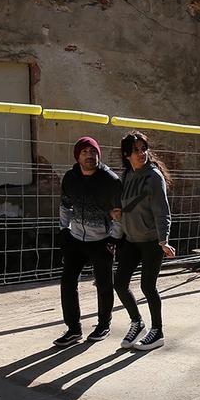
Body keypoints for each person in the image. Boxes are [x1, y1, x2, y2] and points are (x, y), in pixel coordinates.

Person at [54, 136, 122, 348]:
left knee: (104, 284)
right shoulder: (70, 178)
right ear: (77, 156)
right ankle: (73, 329)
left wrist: (113, 237)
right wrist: (64, 230)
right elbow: (65, 206)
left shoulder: (110, 180)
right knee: (67, 282)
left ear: (98, 154)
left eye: (93, 152)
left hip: (101, 240)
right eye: (84, 152)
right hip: (76, 238)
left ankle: (104, 324)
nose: (89, 155)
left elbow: (120, 213)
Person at [113, 131, 176, 351]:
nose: (141, 154)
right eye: (136, 151)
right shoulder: (127, 176)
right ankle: (137, 322)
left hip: (151, 241)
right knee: (119, 283)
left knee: (148, 286)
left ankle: (157, 331)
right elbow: (125, 208)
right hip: (131, 240)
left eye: (144, 149)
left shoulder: (153, 177)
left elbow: (162, 211)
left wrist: (164, 240)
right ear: (126, 155)